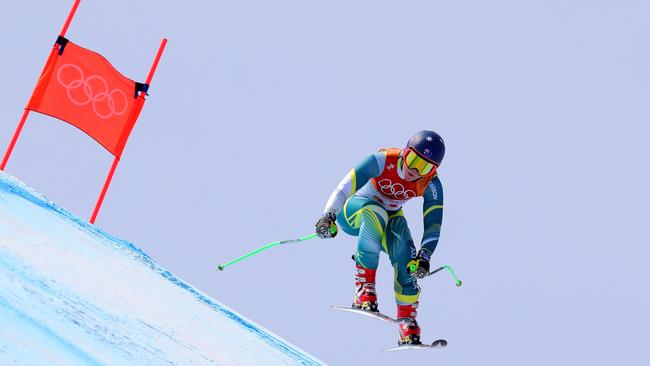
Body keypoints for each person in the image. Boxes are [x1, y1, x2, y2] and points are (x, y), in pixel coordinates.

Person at [315, 130, 445, 345]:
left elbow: (433, 225)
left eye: (425, 167)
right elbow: (344, 187)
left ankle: (407, 322)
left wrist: (424, 257)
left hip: (391, 216)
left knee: (406, 254)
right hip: (356, 210)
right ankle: (364, 290)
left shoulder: (431, 184)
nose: (414, 170)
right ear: (405, 152)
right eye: (413, 160)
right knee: (376, 213)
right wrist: (328, 216)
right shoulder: (384, 160)